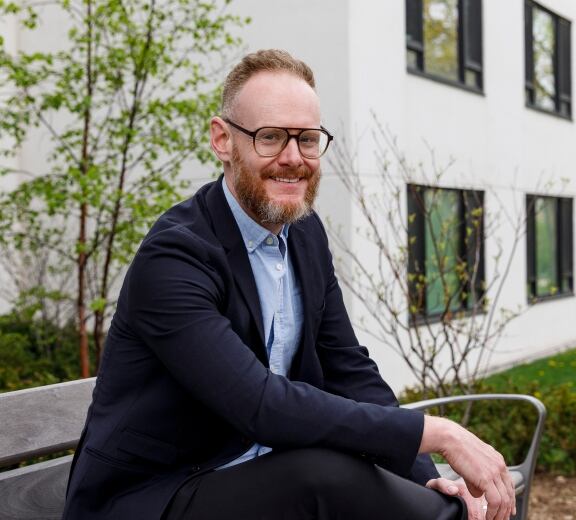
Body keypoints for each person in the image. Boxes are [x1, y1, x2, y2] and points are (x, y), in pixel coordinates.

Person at [62, 49, 515, 520]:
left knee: (438, 495)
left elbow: (349, 372)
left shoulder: (305, 235)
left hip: (260, 480)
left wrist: (425, 475)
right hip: (154, 495)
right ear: (222, 140)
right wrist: (439, 432)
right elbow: (259, 404)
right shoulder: (175, 256)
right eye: (271, 137)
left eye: (308, 139)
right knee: (324, 476)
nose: (293, 158)